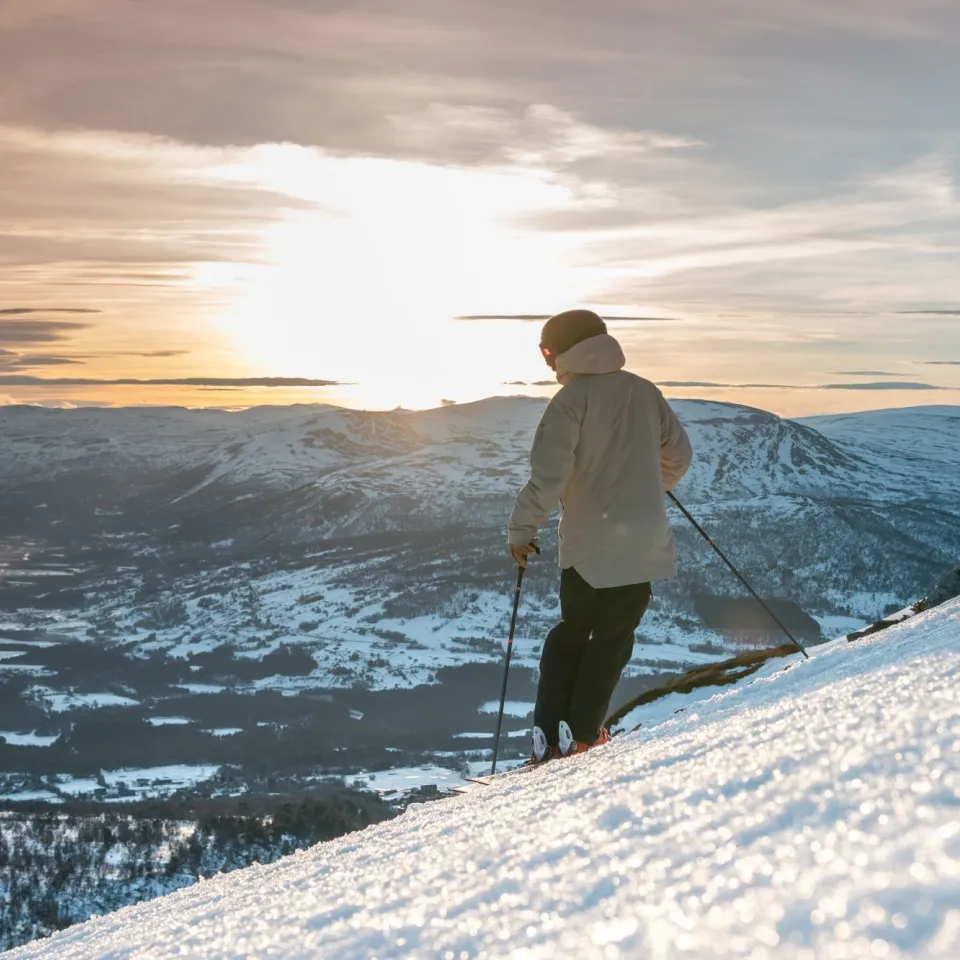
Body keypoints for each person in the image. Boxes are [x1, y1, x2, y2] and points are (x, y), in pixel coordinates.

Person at [507, 309, 693, 759]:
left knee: (575, 629)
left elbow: (548, 479)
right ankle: (584, 732)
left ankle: (549, 734)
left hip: (588, 546)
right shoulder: (644, 392)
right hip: (642, 541)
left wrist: (521, 531)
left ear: (565, 349)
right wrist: (650, 485)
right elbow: (680, 456)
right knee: (613, 636)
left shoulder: (570, 401)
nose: (548, 362)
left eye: (548, 351)